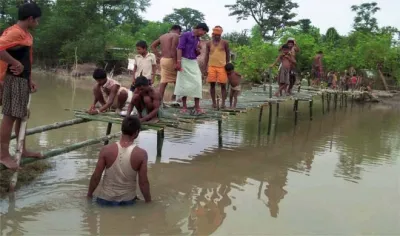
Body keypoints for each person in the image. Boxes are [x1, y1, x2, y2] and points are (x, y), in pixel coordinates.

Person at [0, 3, 42, 170]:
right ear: (30, 18)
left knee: (22, 114)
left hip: (22, 80)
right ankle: (3, 155)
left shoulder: (26, 34)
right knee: (10, 116)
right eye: (37, 20)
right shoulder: (14, 32)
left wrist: (29, 79)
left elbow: (27, 60)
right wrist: (14, 62)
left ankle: (21, 148)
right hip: (13, 79)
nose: (38, 23)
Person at [87, 116, 151, 206]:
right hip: (127, 202)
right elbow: (143, 183)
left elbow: (96, 176)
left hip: (104, 200)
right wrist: (149, 202)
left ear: (122, 129)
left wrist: (89, 195)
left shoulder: (106, 150)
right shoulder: (141, 154)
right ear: (136, 132)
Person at [174, 23, 209, 115]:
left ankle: (197, 107)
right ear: (200, 29)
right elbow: (179, 48)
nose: (203, 34)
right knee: (183, 83)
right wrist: (178, 62)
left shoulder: (197, 39)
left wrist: (197, 52)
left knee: (197, 82)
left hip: (193, 61)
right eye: (203, 32)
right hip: (184, 60)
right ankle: (184, 106)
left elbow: (195, 53)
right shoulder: (185, 35)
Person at [150, 25, 182, 103]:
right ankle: (176, 100)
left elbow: (152, 46)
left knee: (163, 81)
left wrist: (159, 56)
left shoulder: (162, 36)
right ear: (178, 30)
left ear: (170, 29)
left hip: (163, 60)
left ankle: (159, 101)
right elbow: (173, 49)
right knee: (177, 81)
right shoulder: (176, 35)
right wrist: (176, 62)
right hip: (171, 60)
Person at [205, 26, 230, 109]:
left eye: (219, 35)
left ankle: (223, 103)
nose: (217, 36)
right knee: (212, 85)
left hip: (222, 67)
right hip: (211, 66)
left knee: (223, 85)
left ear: (221, 35)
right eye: (216, 35)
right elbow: (206, 56)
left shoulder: (225, 43)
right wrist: (205, 67)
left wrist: (228, 65)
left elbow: (228, 54)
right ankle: (214, 103)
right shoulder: (208, 43)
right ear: (212, 35)